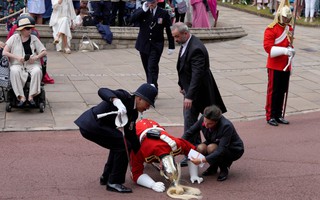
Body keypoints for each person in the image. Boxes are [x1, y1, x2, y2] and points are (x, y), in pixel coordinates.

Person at [74, 83, 158, 193]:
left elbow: (131, 135)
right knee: (123, 144)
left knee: (120, 143)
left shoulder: (133, 113)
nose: (148, 107)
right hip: (91, 124)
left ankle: (106, 176)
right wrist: (116, 101)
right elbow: (102, 90)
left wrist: (143, 155)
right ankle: (114, 182)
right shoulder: (124, 96)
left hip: (98, 127)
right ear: (139, 98)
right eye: (148, 103)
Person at [170, 22, 227, 166]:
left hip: (200, 94)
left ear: (185, 33)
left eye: (177, 37)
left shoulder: (196, 48)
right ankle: (192, 152)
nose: (175, 40)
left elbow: (197, 75)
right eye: (174, 37)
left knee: (207, 121)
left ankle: (217, 152)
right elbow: (183, 68)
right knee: (190, 122)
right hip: (191, 91)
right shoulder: (186, 44)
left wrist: (189, 96)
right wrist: (182, 85)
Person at [131, 118, 203, 192]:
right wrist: (152, 184)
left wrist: (194, 174)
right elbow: (135, 174)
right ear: (160, 166)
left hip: (156, 128)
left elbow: (193, 152)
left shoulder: (176, 144)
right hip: (139, 129)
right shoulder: (141, 151)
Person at [183, 105, 244, 182]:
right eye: (205, 121)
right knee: (200, 148)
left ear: (216, 121)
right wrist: (180, 143)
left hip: (233, 148)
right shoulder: (203, 118)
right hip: (214, 141)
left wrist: (202, 160)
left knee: (212, 148)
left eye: (210, 124)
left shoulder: (226, 126)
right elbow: (189, 132)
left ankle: (223, 168)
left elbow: (221, 150)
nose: (205, 125)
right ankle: (213, 166)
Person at [2, 15, 47, 107]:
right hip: (17, 63)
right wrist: (17, 57)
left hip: (32, 63)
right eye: (27, 28)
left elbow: (44, 51)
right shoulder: (14, 38)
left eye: (30, 28)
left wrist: (35, 57)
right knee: (14, 71)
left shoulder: (34, 39)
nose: (30, 30)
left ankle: (31, 96)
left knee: (37, 71)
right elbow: (4, 52)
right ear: (21, 30)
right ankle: (21, 97)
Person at [130, 0, 175, 90]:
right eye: (149, 2)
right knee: (147, 67)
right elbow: (132, 20)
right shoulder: (142, 11)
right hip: (143, 44)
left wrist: (171, 45)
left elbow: (169, 30)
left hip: (156, 45)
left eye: (153, 2)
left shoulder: (163, 13)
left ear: (157, 2)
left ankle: (150, 91)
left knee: (152, 67)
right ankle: (153, 85)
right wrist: (143, 10)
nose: (151, 4)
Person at [263, 1, 295, 126]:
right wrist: (285, 50)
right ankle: (270, 115)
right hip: (274, 65)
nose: (286, 19)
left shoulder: (289, 28)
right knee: (273, 91)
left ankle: (278, 114)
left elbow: (290, 45)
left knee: (282, 90)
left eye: (288, 18)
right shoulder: (271, 29)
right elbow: (268, 49)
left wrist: (291, 52)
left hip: (286, 65)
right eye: (285, 17)